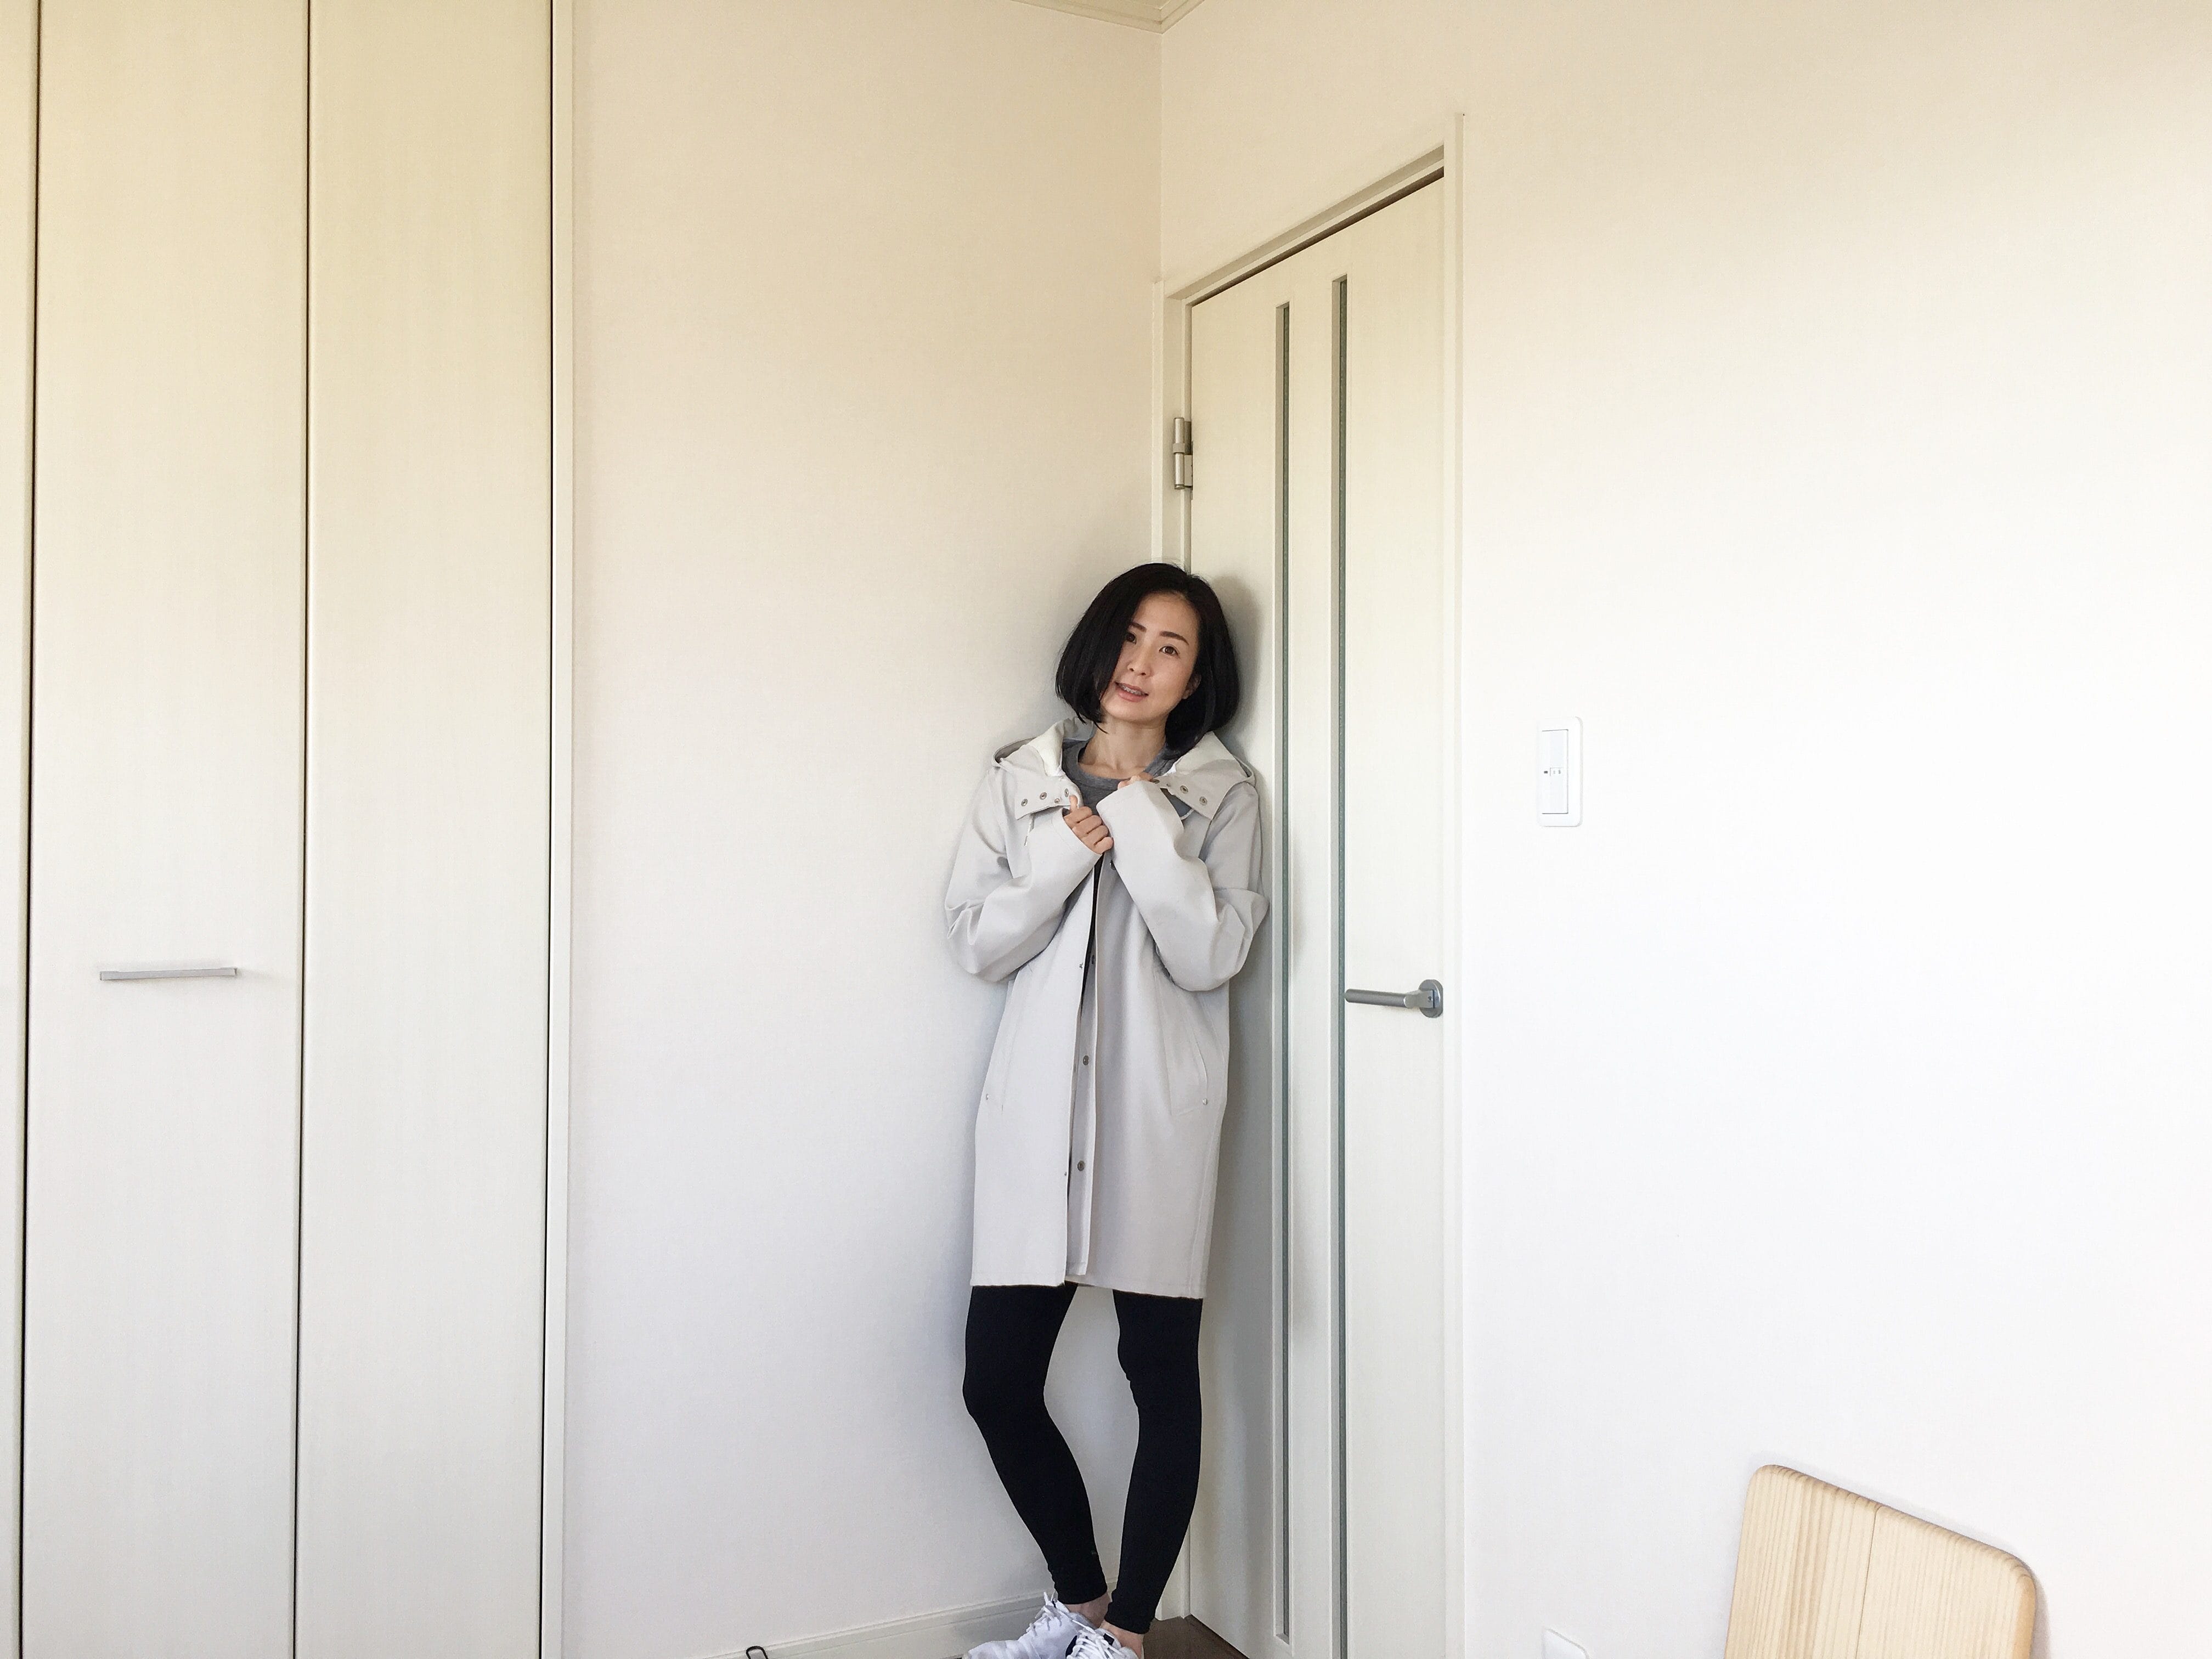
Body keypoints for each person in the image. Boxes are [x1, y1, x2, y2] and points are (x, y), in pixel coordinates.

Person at [945, 563, 1266, 1659]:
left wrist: (1140, 819)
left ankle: (1126, 1638)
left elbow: (1211, 953)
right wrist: (1054, 865)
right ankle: (1081, 1605)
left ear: (1196, 677)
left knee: (1159, 1378)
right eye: (1130, 636)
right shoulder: (1023, 780)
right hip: (1036, 1119)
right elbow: (977, 942)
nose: (1141, 663)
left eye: (1171, 648)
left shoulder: (1221, 794)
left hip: (1154, 1118)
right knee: (996, 1383)